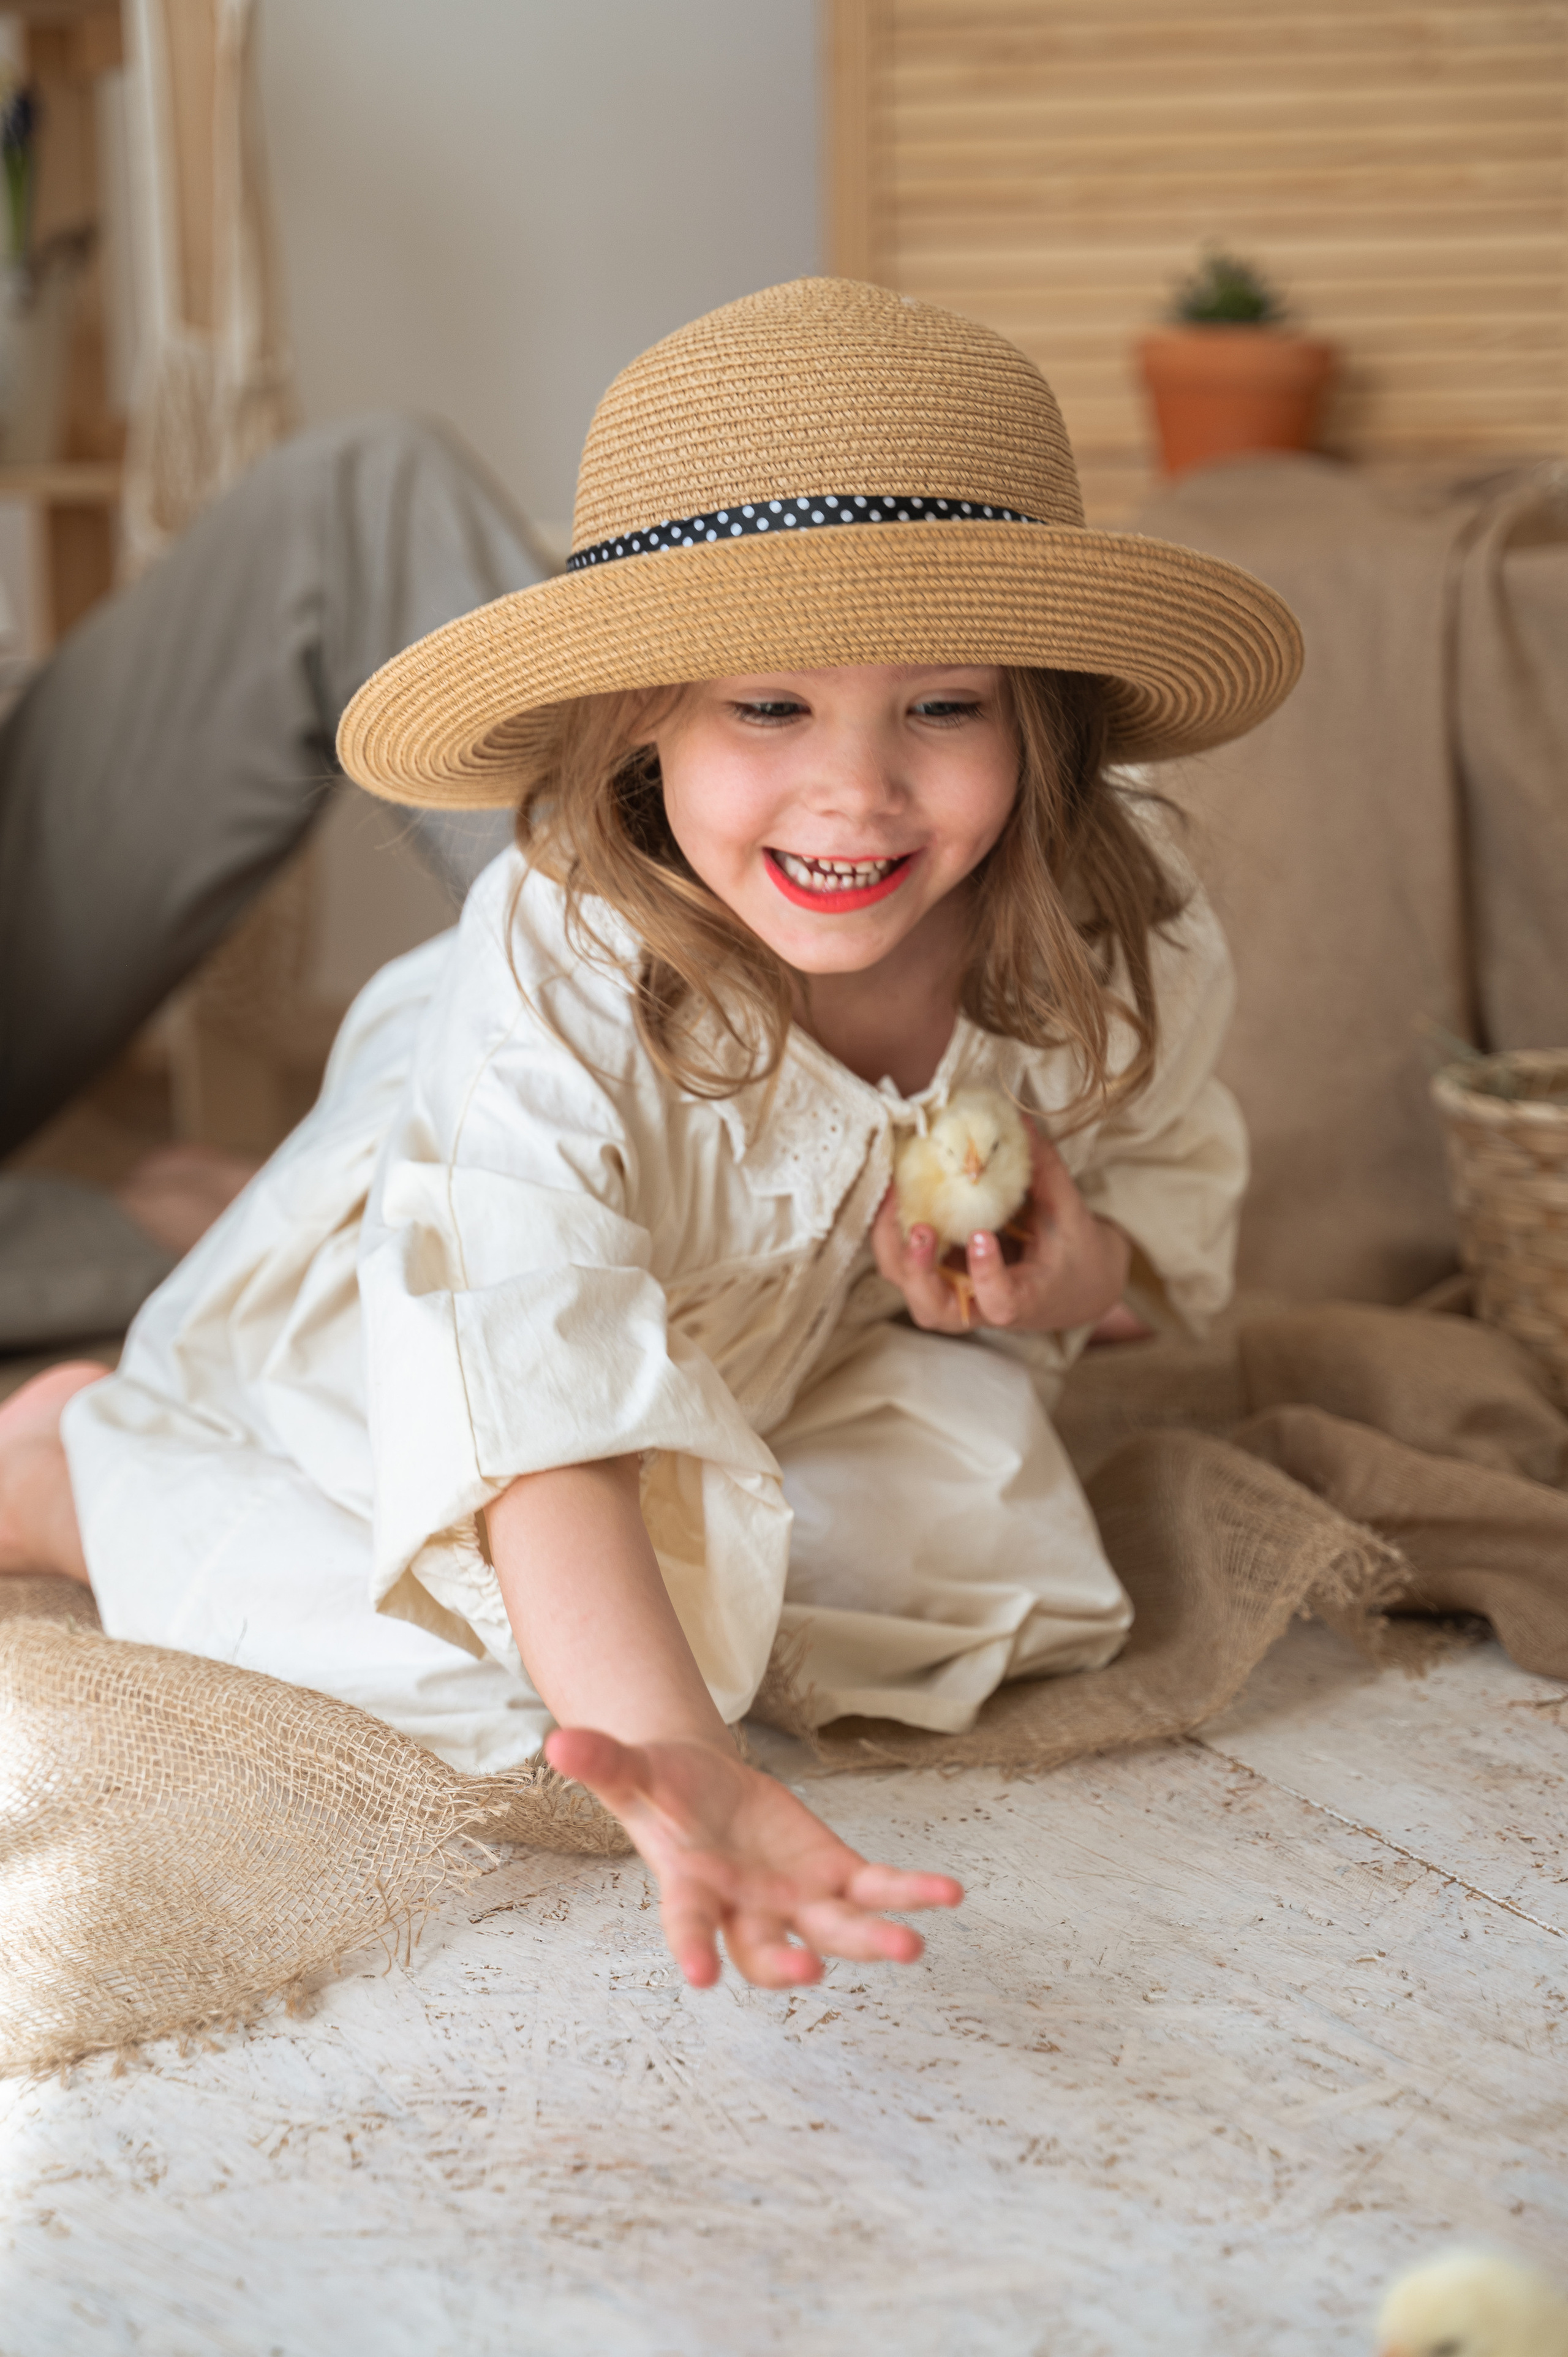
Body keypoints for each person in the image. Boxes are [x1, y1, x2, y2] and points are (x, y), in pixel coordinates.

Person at [0, 278, 1301, 1991]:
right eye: (769, 709)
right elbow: (530, 1408)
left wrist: (1062, 1273)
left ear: (1043, 714)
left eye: (943, 706)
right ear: (642, 723)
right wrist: (683, 1763)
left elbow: (1151, 1215)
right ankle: (72, 1471)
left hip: (780, 1351)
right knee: (510, 1693)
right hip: (474, 1344)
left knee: (983, 1558)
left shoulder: (1131, 925)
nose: (857, 793)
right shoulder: (561, 958)